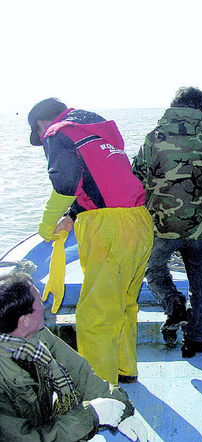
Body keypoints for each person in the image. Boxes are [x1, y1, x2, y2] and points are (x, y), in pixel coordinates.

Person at [27, 98, 154, 385]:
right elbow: (102, 182)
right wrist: (72, 215)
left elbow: (65, 184)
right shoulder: (97, 131)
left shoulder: (58, 132)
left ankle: (98, 389)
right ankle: (124, 369)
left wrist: (47, 225)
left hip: (108, 228)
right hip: (139, 220)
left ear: (41, 124)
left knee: (95, 313)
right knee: (123, 304)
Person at [132, 86, 202, 357]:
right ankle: (196, 340)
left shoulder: (153, 139)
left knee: (153, 268)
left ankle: (173, 304)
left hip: (160, 227)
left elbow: (136, 179)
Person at [0, 272, 147, 441]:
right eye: (39, 301)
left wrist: (122, 411)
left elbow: (81, 374)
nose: (44, 304)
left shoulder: (37, 337)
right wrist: (91, 415)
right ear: (25, 320)